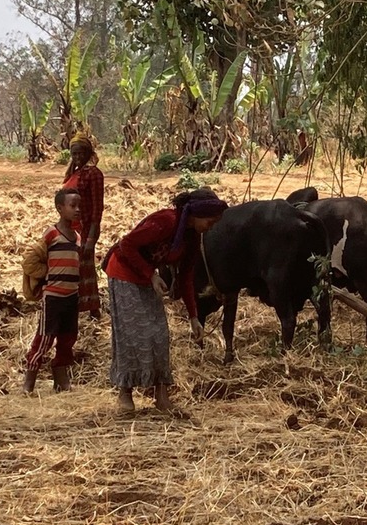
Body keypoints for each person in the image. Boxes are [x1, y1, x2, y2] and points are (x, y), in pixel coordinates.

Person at [102, 187, 228, 414]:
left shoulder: (192, 236)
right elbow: (126, 245)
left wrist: (193, 317)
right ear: (197, 214)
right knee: (131, 333)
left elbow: (186, 276)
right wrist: (150, 274)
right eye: (211, 220)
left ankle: (161, 396)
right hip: (124, 273)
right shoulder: (165, 222)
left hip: (149, 278)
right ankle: (125, 394)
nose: (212, 226)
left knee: (159, 334)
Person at [23, 188, 83, 394]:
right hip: (54, 296)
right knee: (45, 338)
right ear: (59, 208)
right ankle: (28, 381)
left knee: (68, 338)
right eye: (72, 206)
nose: (77, 210)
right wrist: (46, 274)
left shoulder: (77, 237)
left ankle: (61, 379)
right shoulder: (52, 233)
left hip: (71, 296)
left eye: (79, 206)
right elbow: (31, 258)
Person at [62, 132, 105, 316]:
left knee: (85, 269)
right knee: (71, 268)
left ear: (88, 153)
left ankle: (93, 309)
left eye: (81, 153)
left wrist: (91, 238)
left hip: (84, 229)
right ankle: (75, 305)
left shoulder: (93, 174)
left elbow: (97, 208)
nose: (78, 157)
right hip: (68, 228)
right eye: (74, 154)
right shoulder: (73, 173)